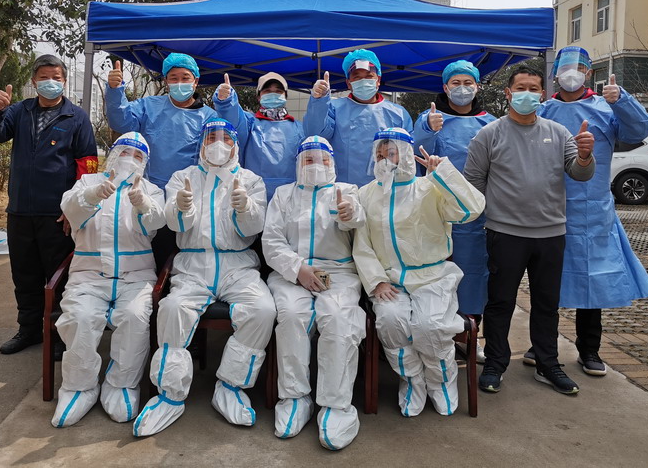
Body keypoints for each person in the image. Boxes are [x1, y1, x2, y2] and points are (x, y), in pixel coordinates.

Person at [134, 118, 275, 437]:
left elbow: (254, 229)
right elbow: (175, 225)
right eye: (211, 138)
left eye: (225, 138)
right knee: (173, 309)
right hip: (193, 264)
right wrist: (181, 209)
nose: (218, 144)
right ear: (201, 144)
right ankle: (170, 395)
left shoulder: (250, 180)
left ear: (235, 145)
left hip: (237, 264)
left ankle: (231, 386)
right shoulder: (183, 177)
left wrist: (246, 209)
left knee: (263, 310)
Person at [463, 66, 595, 396]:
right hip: (505, 233)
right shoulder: (490, 134)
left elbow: (580, 173)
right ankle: (495, 363)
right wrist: (494, 212)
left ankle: (548, 364)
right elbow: (473, 182)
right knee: (500, 301)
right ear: (508, 93)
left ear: (542, 94)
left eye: (533, 89)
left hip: (550, 233)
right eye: (520, 88)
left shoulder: (559, 133)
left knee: (547, 304)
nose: (527, 94)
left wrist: (584, 156)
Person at [531, 46, 648, 376]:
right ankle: (541, 344)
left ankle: (589, 348)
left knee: (592, 277)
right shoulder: (544, 110)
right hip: (548, 206)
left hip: (592, 210)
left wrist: (622, 100)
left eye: (579, 68)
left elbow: (639, 131)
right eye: (565, 68)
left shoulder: (605, 107)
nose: (571, 74)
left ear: (589, 73)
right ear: (555, 74)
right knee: (546, 278)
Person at [353, 128, 485, 417]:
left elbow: (471, 209)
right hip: (390, 280)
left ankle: (440, 381)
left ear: (406, 155)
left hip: (433, 277)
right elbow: (361, 244)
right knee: (391, 322)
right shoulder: (366, 193)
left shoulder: (430, 188)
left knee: (430, 327)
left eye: (391, 153)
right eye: (379, 155)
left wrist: (444, 174)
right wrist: (376, 281)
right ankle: (412, 380)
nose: (384, 160)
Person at [0, 54, 98, 356]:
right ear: (33, 81)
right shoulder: (19, 111)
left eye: (56, 77)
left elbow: (87, 165)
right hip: (20, 210)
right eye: (44, 77)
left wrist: (76, 208)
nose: (50, 82)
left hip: (58, 215)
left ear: (64, 81)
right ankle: (29, 330)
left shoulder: (76, 117)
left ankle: (59, 335)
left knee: (59, 278)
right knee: (25, 275)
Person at [52, 132, 166, 427]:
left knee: (134, 316)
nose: (130, 159)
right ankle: (79, 388)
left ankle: (121, 385)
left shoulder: (151, 189)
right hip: (88, 276)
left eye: (138, 156)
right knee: (80, 317)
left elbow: (156, 222)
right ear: (113, 154)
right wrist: (91, 196)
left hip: (135, 276)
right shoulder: (87, 182)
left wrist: (143, 204)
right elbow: (70, 210)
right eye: (125, 151)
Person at [262, 136, 366, 450]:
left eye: (323, 159)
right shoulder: (284, 195)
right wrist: (297, 269)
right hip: (291, 273)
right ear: (298, 163)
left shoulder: (346, 191)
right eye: (308, 159)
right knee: (292, 315)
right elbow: (272, 240)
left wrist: (348, 214)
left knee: (337, 318)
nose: (316, 164)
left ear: (332, 163)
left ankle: (337, 406)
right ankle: (294, 398)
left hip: (339, 274)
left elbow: (358, 221)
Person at [413, 60, 496, 362]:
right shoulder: (430, 118)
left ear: (477, 86)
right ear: (445, 88)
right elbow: (414, 155)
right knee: (435, 276)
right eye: (456, 83)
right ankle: (435, 336)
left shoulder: (490, 122)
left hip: (476, 215)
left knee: (474, 276)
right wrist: (427, 129)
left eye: (468, 82)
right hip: (436, 214)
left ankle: (470, 337)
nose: (462, 89)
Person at [105, 52, 215, 271]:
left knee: (185, 258)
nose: (179, 83)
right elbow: (121, 121)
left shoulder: (209, 117)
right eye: (173, 78)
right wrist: (115, 91)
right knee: (155, 253)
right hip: (150, 192)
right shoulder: (149, 106)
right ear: (165, 81)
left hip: (189, 197)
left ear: (196, 81)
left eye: (185, 77)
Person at [303, 49, 413, 188]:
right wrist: (319, 102)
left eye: (369, 76)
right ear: (349, 83)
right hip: (342, 189)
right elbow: (315, 134)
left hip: (384, 191)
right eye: (357, 77)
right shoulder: (333, 108)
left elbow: (408, 155)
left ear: (378, 80)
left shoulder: (398, 113)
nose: (363, 81)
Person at [214, 71, 304, 200]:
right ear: (258, 97)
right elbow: (234, 119)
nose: (273, 94)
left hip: (289, 197)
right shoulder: (249, 123)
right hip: (253, 194)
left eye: (278, 91)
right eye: (267, 91)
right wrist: (226, 102)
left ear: (285, 96)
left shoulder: (299, 128)